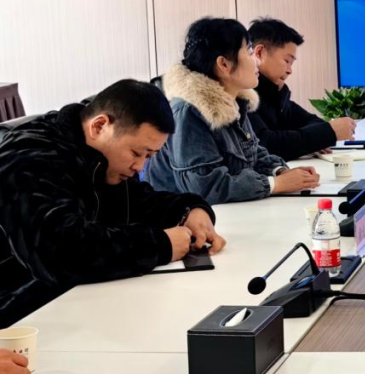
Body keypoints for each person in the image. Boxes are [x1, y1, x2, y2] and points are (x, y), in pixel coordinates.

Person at [0, 80, 224, 327]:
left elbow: (139, 203)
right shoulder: (28, 158)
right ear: (99, 126)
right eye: (136, 153)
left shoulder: (102, 158)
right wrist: (160, 245)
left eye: (149, 156)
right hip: (20, 318)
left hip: (77, 304)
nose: (140, 166)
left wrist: (189, 210)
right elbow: (59, 252)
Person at [145, 18, 320, 204]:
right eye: (250, 52)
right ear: (224, 65)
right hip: (184, 217)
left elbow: (253, 152)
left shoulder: (235, 99)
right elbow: (206, 187)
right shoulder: (189, 112)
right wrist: (274, 184)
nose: (256, 61)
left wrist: (280, 172)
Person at [247, 18, 357, 160]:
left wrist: (306, 142)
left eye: (291, 63)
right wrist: (323, 135)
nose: (290, 70)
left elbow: (314, 122)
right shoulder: (242, 95)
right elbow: (264, 145)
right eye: (287, 61)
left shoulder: (277, 94)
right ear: (259, 52)